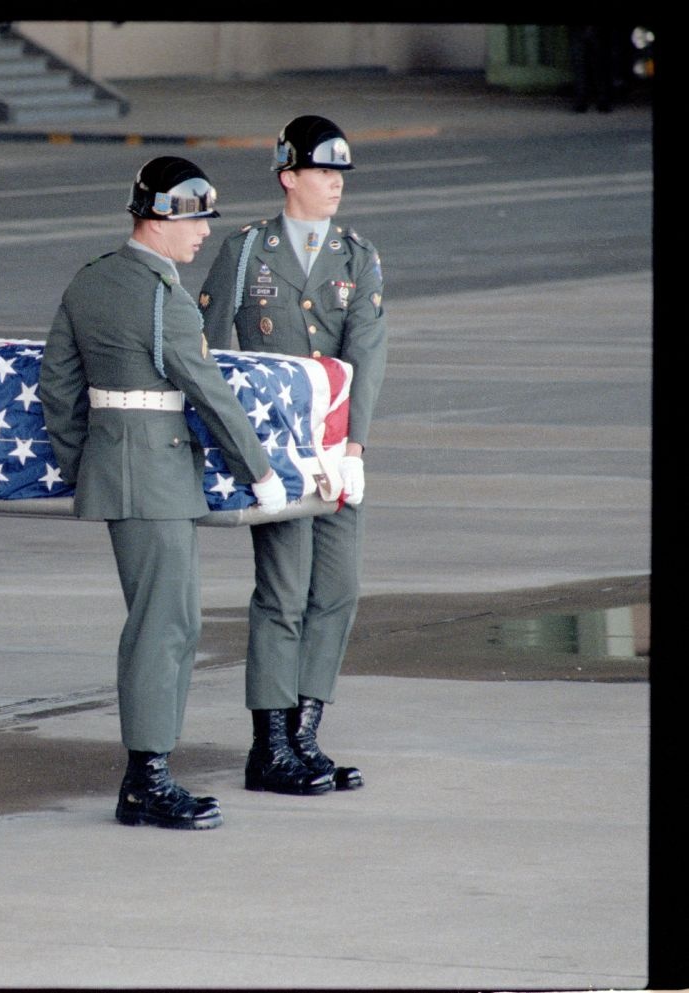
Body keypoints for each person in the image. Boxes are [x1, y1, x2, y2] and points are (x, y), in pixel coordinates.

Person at [39, 156, 288, 830]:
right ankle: (145, 778)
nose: (205, 233)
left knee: (164, 621)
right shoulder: (163, 297)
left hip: (119, 473)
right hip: (156, 480)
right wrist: (259, 473)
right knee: (165, 625)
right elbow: (208, 392)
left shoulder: (90, 281)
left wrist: (83, 462)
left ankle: (150, 772)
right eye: (197, 220)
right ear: (163, 218)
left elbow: (57, 386)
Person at [199, 115, 388, 796]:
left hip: (337, 453)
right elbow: (213, 354)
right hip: (276, 457)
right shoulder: (247, 251)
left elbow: (366, 352)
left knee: (336, 590)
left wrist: (356, 448)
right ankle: (268, 744)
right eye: (322, 172)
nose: (335, 185)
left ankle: (304, 736)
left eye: (341, 174)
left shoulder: (357, 256)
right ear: (289, 177)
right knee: (282, 593)